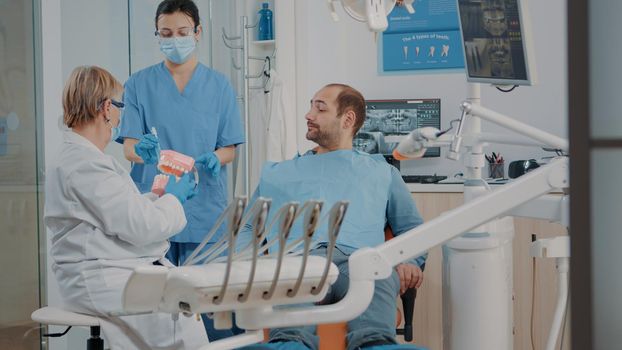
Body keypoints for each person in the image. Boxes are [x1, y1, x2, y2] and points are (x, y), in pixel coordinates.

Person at [240, 84, 426, 350]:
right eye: (310, 105)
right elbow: (247, 226)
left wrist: (409, 260)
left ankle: (376, 345)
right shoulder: (279, 173)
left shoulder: (381, 172)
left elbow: (411, 229)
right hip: (300, 261)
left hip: (360, 263)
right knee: (293, 281)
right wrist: (249, 264)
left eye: (320, 107)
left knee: (378, 276)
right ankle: (290, 344)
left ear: (347, 119)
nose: (308, 114)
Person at [45, 65, 206, 349]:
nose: (120, 115)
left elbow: (119, 212)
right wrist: (174, 198)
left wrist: (159, 196)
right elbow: (141, 226)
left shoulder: (84, 158)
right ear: (107, 108)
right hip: (101, 278)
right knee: (179, 321)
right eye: (119, 106)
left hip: (106, 271)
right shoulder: (84, 163)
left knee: (180, 309)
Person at [116, 0, 245, 339]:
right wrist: (143, 153)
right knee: (154, 308)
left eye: (183, 32)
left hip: (203, 208)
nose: (175, 39)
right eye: (166, 33)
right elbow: (129, 146)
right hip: (153, 205)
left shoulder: (219, 87)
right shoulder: (138, 84)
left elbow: (229, 147)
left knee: (206, 305)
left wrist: (218, 158)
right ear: (157, 35)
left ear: (197, 33)